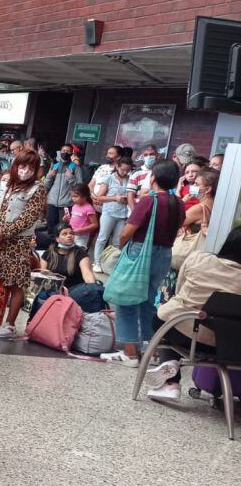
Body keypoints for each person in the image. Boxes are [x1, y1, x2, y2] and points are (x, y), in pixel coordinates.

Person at [100, 161, 185, 367]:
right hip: (164, 254)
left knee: (126, 300)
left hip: (140, 252)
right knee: (148, 301)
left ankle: (130, 353)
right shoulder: (178, 202)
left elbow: (128, 231)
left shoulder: (149, 201)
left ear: (153, 178)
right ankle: (150, 350)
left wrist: (121, 246)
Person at [143, 225, 241, 399]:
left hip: (180, 328)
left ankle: (170, 380)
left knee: (166, 316)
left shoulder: (198, 259)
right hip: (226, 346)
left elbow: (179, 292)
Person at [0, 151, 47, 338]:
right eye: (22, 166)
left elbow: (29, 217)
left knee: (16, 284)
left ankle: (10, 325)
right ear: (15, 166)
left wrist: (4, 233)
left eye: (31, 167)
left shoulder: (37, 189)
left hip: (18, 243)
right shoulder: (8, 185)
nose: (26, 170)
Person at [93, 156, 133, 271]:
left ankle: (112, 264)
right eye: (123, 169)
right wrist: (115, 198)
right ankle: (97, 262)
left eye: (127, 170)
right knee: (102, 238)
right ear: (117, 167)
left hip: (123, 214)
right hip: (109, 212)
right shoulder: (108, 178)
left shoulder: (129, 179)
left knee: (118, 241)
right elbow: (99, 197)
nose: (125, 172)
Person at [44, 143, 86, 231]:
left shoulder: (76, 168)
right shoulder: (54, 166)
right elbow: (46, 186)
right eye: (63, 151)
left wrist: (71, 177)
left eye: (68, 151)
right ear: (60, 152)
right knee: (50, 225)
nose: (65, 153)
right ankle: (51, 243)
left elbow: (80, 187)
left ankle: (60, 244)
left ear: (71, 153)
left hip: (67, 204)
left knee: (63, 227)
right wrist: (49, 176)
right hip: (52, 202)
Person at [40, 223, 96, 288]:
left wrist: (92, 286)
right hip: (53, 289)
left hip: (75, 290)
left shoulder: (80, 252)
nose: (69, 236)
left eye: (71, 233)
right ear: (57, 239)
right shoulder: (48, 253)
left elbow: (87, 273)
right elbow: (43, 272)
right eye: (64, 234)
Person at [126, 143, 159, 208]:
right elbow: (130, 195)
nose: (149, 157)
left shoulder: (160, 171)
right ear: (143, 156)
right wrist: (134, 212)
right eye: (146, 155)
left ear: (157, 155)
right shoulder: (136, 173)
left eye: (152, 154)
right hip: (138, 209)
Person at [66, 183, 97, 249]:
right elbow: (76, 218)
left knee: (79, 253)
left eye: (76, 196)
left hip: (82, 236)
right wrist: (67, 219)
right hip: (72, 233)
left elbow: (95, 224)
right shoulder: (75, 206)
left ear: (84, 197)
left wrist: (81, 230)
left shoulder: (89, 208)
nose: (73, 198)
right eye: (72, 196)